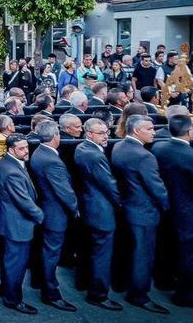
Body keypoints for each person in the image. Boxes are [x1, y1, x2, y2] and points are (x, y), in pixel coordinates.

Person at [151, 115, 193, 309]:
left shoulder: (158, 147)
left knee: (168, 246)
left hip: (166, 208)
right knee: (190, 254)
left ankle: (164, 281)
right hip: (190, 214)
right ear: (190, 131)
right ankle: (185, 296)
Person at [111, 115, 170, 314]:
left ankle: (122, 284)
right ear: (136, 131)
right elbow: (157, 188)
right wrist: (167, 207)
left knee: (130, 250)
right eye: (150, 129)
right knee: (143, 255)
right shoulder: (145, 156)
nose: (154, 132)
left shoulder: (118, 146)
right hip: (144, 211)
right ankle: (138, 295)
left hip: (126, 207)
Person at [28, 120, 78, 312]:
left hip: (45, 209)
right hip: (55, 214)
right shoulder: (52, 161)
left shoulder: (39, 152)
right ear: (56, 136)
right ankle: (51, 294)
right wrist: (75, 209)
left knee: (47, 251)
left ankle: (40, 282)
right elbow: (65, 192)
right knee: (51, 254)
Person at [74, 118, 122, 310]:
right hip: (101, 211)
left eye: (107, 132)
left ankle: (85, 283)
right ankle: (98, 295)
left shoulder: (82, 148)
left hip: (89, 207)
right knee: (102, 255)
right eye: (101, 133)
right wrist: (120, 203)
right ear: (89, 134)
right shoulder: (95, 156)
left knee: (91, 251)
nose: (106, 136)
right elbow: (109, 185)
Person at [0, 134, 42, 315]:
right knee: (16, 265)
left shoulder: (11, 162)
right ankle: (12, 300)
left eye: (27, 147)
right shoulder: (11, 171)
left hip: (13, 223)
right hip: (16, 224)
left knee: (11, 262)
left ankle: (6, 289)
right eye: (21, 148)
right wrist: (41, 216)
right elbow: (24, 202)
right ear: (10, 149)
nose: (26, 151)